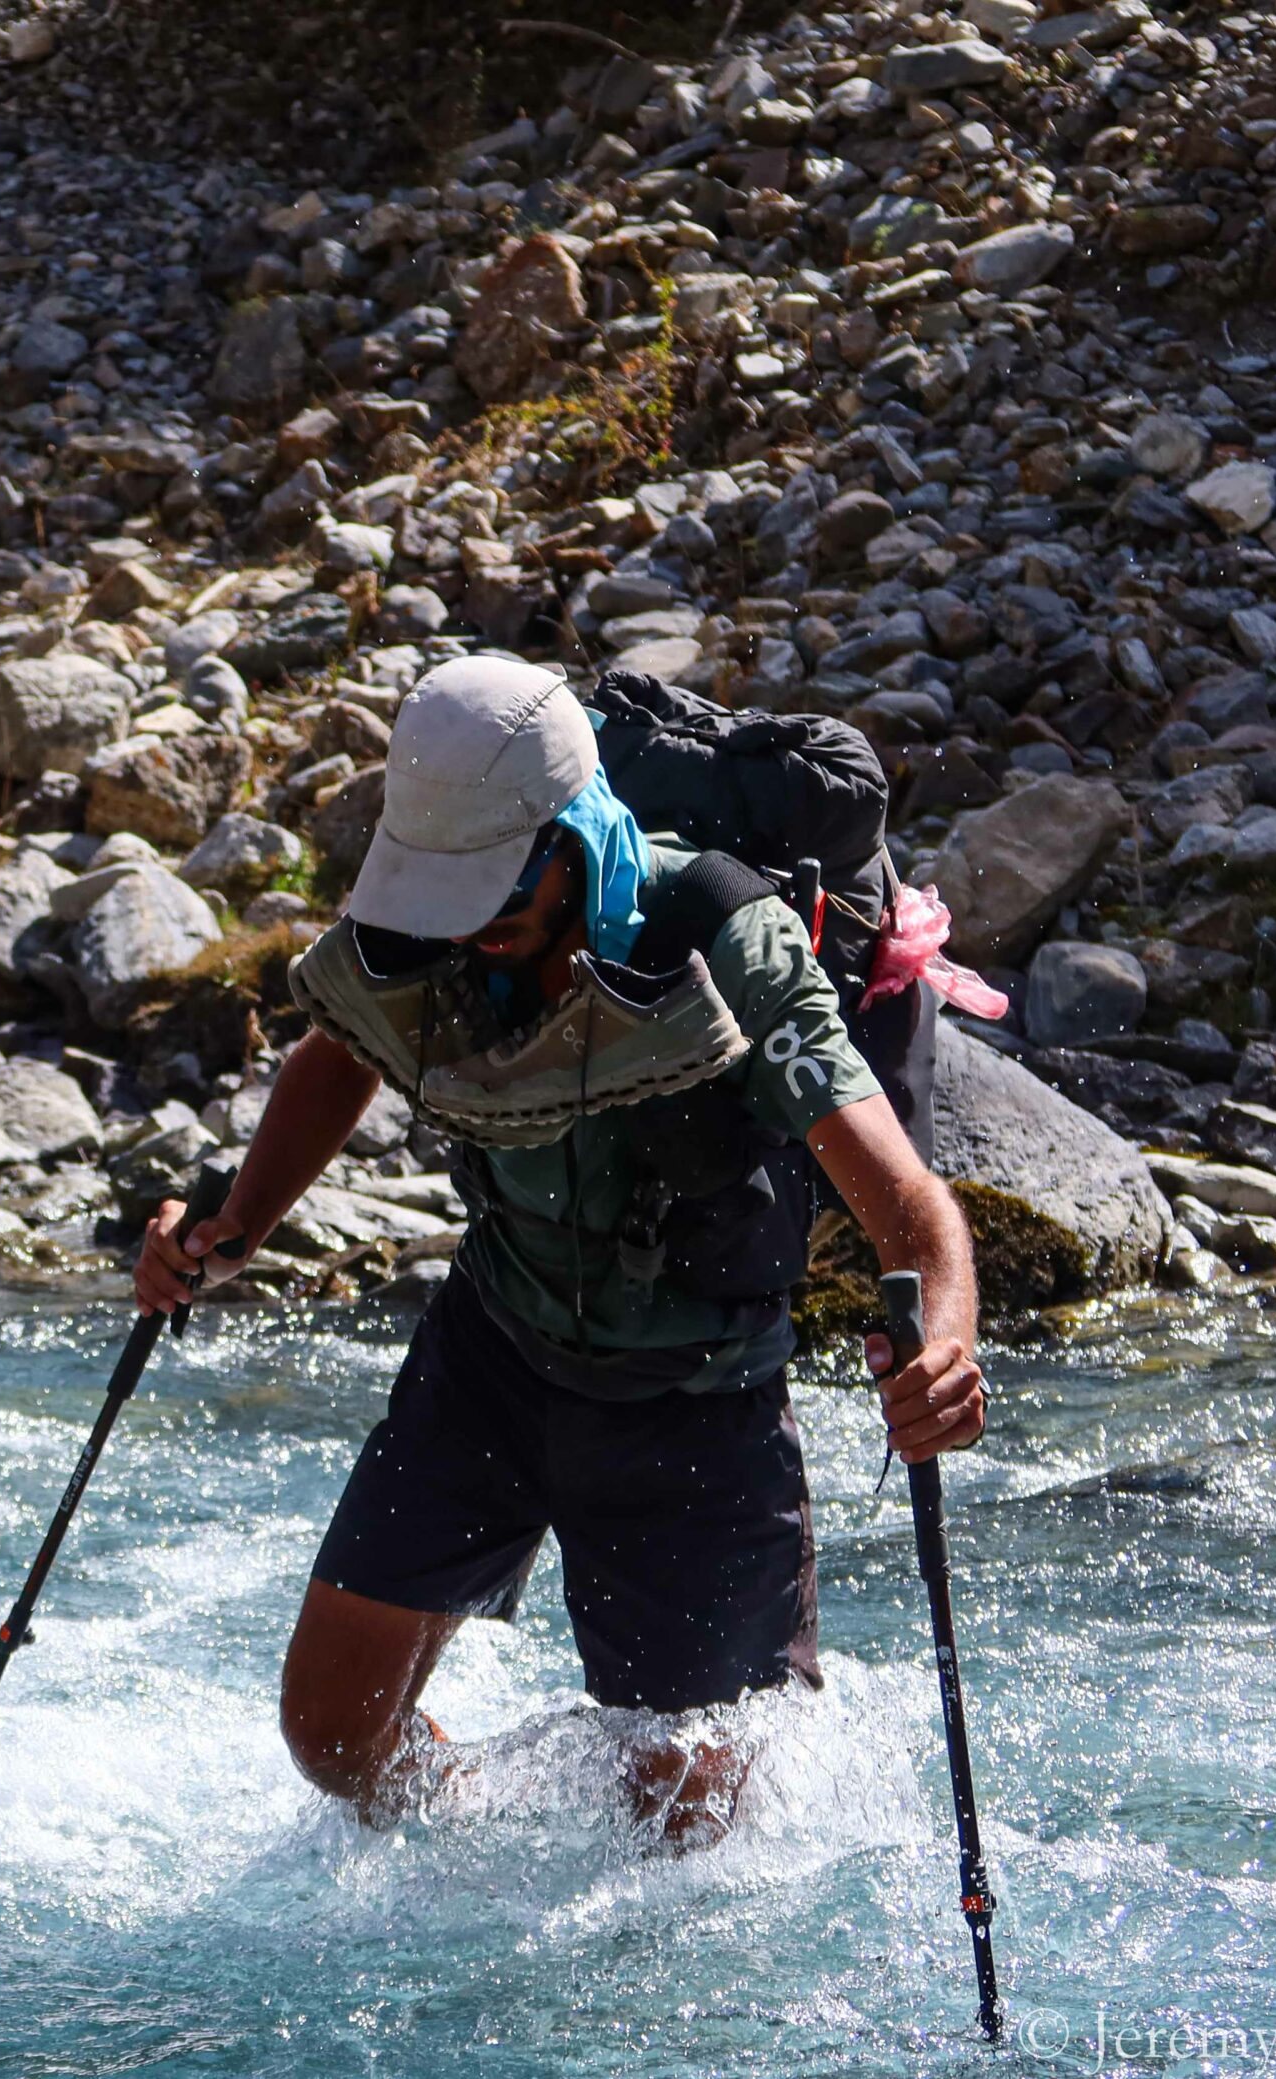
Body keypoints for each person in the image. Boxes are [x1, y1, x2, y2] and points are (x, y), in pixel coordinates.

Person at [133, 655, 985, 1844]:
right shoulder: (434, 906)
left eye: (494, 898)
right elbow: (341, 1049)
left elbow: (906, 1201)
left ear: (572, 840)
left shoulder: (722, 937)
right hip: (493, 1357)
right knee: (333, 1740)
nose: (465, 929)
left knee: (687, 1834)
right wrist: (232, 1231)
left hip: (695, 1400)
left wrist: (942, 1342)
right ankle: (475, 1857)